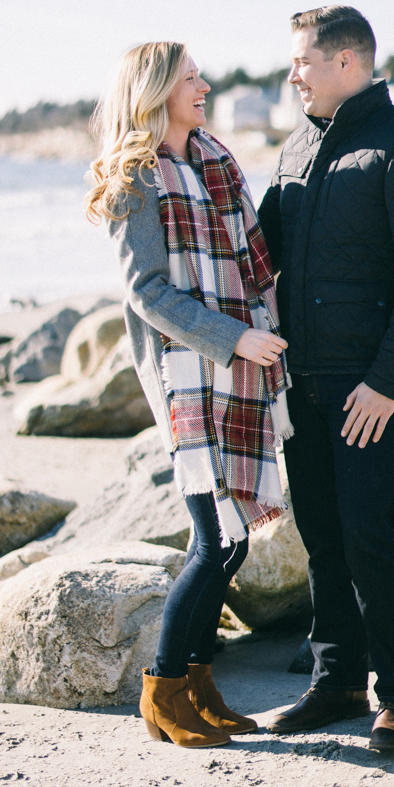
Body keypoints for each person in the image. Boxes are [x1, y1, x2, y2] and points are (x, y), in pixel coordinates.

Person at [258, 5, 394, 752]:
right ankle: (336, 679)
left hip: (368, 387)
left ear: (346, 63)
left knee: (371, 535)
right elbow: (262, 252)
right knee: (321, 536)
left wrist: (388, 382)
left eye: (302, 62)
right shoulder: (296, 145)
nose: (292, 75)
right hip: (300, 380)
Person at [86, 41, 290, 749]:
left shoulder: (216, 159)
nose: (204, 84)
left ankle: (199, 684)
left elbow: (256, 255)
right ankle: (162, 690)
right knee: (214, 541)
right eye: (190, 77)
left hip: (239, 371)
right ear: (155, 91)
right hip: (188, 373)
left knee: (233, 547)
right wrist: (234, 339)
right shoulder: (134, 178)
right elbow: (146, 292)